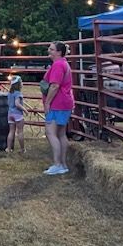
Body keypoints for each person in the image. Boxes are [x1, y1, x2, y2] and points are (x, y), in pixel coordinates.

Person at [42, 41, 74, 175]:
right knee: (61, 133)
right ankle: (63, 163)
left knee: (50, 132)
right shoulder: (64, 64)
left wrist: (47, 103)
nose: (49, 51)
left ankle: (57, 164)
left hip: (57, 104)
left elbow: (54, 86)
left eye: (52, 49)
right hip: (65, 103)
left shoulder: (58, 65)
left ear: (59, 52)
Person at [5, 75, 26, 153]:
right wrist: (25, 110)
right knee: (20, 131)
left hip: (10, 114)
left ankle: (8, 148)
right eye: (21, 82)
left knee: (11, 131)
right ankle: (22, 149)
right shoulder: (18, 93)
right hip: (17, 114)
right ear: (18, 84)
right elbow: (17, 104)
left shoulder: (9, 93)